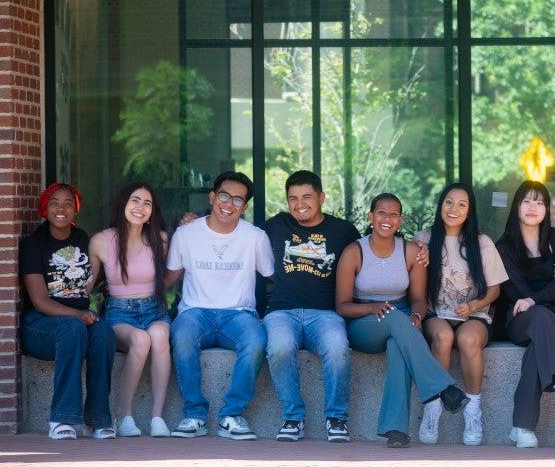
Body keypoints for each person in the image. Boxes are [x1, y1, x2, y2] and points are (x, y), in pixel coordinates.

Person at [334, 193, 467, 448]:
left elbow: (418, 299)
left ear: (400, 220)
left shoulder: (410, 252)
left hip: (402, 320)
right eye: (381, 213)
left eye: (393, 214)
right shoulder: (354, 252)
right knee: (395, 318)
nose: (387, 218)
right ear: (370, 217)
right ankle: (443, 387)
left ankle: (395, 430)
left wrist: (417, 316)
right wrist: (372, 307)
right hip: (364, 322)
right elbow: (342, 306)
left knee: (398, 345)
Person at [166, 171, 273, 440]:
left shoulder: (255, 237)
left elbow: (272, 278)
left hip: (238, 314)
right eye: (224, 196)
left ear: (245, 207)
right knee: (182, 335)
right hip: (195, 312)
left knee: (256, 340)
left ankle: (232, 415)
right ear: (213, 197)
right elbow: (169, 278)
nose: (229, 204)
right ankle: (195, 415)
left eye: (238, 200)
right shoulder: (186, 233)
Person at [262, 170, 360, 443]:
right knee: (279, 348)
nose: (299, 203)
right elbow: (236, 231)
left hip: (325, 314)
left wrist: (418, 247)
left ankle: (336, 419)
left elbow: (373, 250)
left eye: (306, 196)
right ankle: (293, 418)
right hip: (281, 311)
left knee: (338, 348)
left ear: (321, 198)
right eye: (292, 198)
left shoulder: (343, 231)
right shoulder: (275, 226)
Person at [19, 183, 116, 440]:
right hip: (41, 325)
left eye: (67, 204)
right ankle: (62, 419)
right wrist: (76, 315)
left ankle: (98, 418)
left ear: (76, 210)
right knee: (73, 328)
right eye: (54, 203)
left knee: (104, 331)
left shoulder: (84, 240)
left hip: (78, 322)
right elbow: (39, 300)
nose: (61, 208)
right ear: (44, 208)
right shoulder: (33, 244)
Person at [414, 182, 508, 446]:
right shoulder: (423, 240)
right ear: (440, 205)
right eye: (449, 202)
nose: (454, 209)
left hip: (474, 315)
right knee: (442, 337)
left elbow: (495, 291)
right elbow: (414, 283)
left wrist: (474, 306)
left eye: (462, 204)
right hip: (436, 314)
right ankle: (432, 408)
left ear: (470, 211)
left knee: (467, 340)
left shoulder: (482, 243)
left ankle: (473, 410)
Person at [495, 181, 555, 448]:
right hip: (521, 319)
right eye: (527, 201)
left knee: (537, 350)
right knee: (542, 318)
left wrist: (548, 308)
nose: (533, 207)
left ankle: (522, 428)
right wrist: (545, 308)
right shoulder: (505, 246)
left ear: (547, 208)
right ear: (517, 206)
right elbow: (517, 292)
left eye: (539, 202)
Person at [88, 182, 171, 437]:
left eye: (147, 203)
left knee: (158, 335)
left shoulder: (160, 239)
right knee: (140, 338)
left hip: (154, 309)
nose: (140, 208)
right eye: (135, 200)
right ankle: (124, 415)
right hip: (119, 312)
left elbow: (167, 277)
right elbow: (88, 282)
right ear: (124, 203)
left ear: (152, 211)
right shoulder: (102, 240)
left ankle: (157, 417)